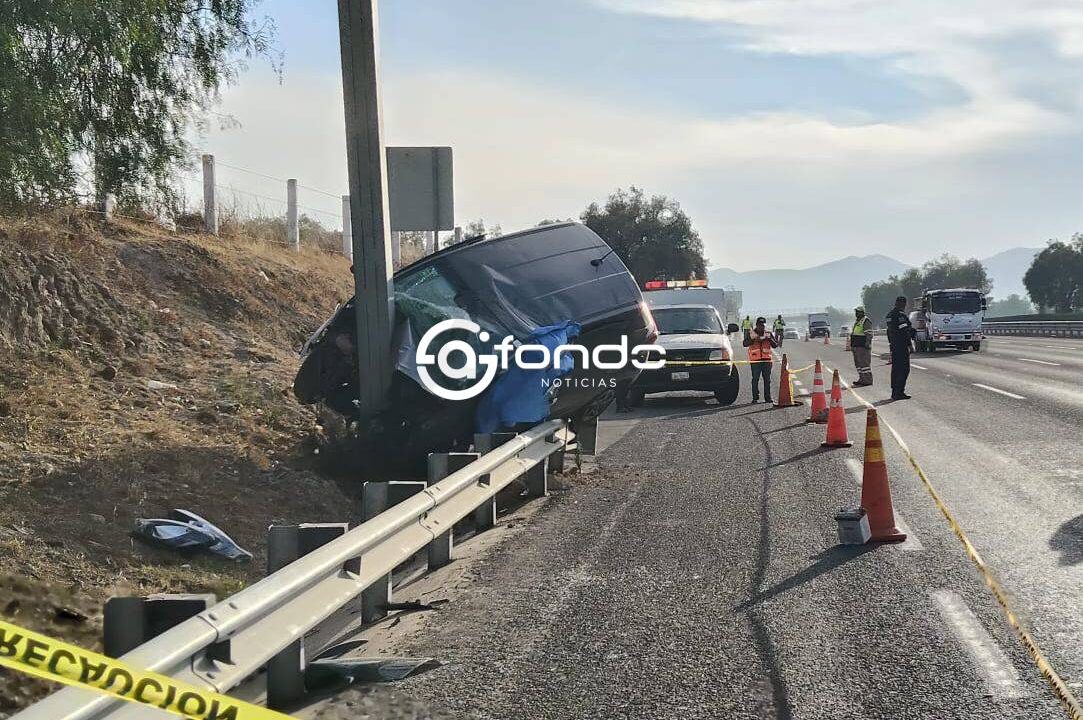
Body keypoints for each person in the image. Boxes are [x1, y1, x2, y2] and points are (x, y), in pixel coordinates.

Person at [885, 296, 915, 400]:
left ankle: (894, 391)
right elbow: (904, 332)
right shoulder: (900, 316)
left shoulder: (889, 315)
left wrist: (891, 344)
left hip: (894, 345)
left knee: (896, 369)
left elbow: (888, 332)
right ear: (903, 304)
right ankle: (899, 392)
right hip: (901, 345)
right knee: (904, 369)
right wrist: (910, 345)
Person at [743, 317, 778, 403]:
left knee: (767, 379)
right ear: (757, 325)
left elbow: (775, 345)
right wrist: (753, 339)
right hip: (755, 361)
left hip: (766, 360)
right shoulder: (752, 333)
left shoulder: (768, 334)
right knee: (755, 379)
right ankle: (755, 398)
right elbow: (745, 343)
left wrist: (769, 339)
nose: (762, 327)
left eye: (763, 325)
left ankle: (768, 398)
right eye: (760, 325)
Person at [850, 307, 873, 386]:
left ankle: (867, 380)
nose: (856, 314)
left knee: (864, 364)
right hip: (856, 346)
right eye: (856, 312)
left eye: (858, 312)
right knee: (858, 365)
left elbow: (869, 333)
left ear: (862, 312)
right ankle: (862, 379)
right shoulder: (858, 321)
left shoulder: (866, 321)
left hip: (863, 346)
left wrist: (867, 343)